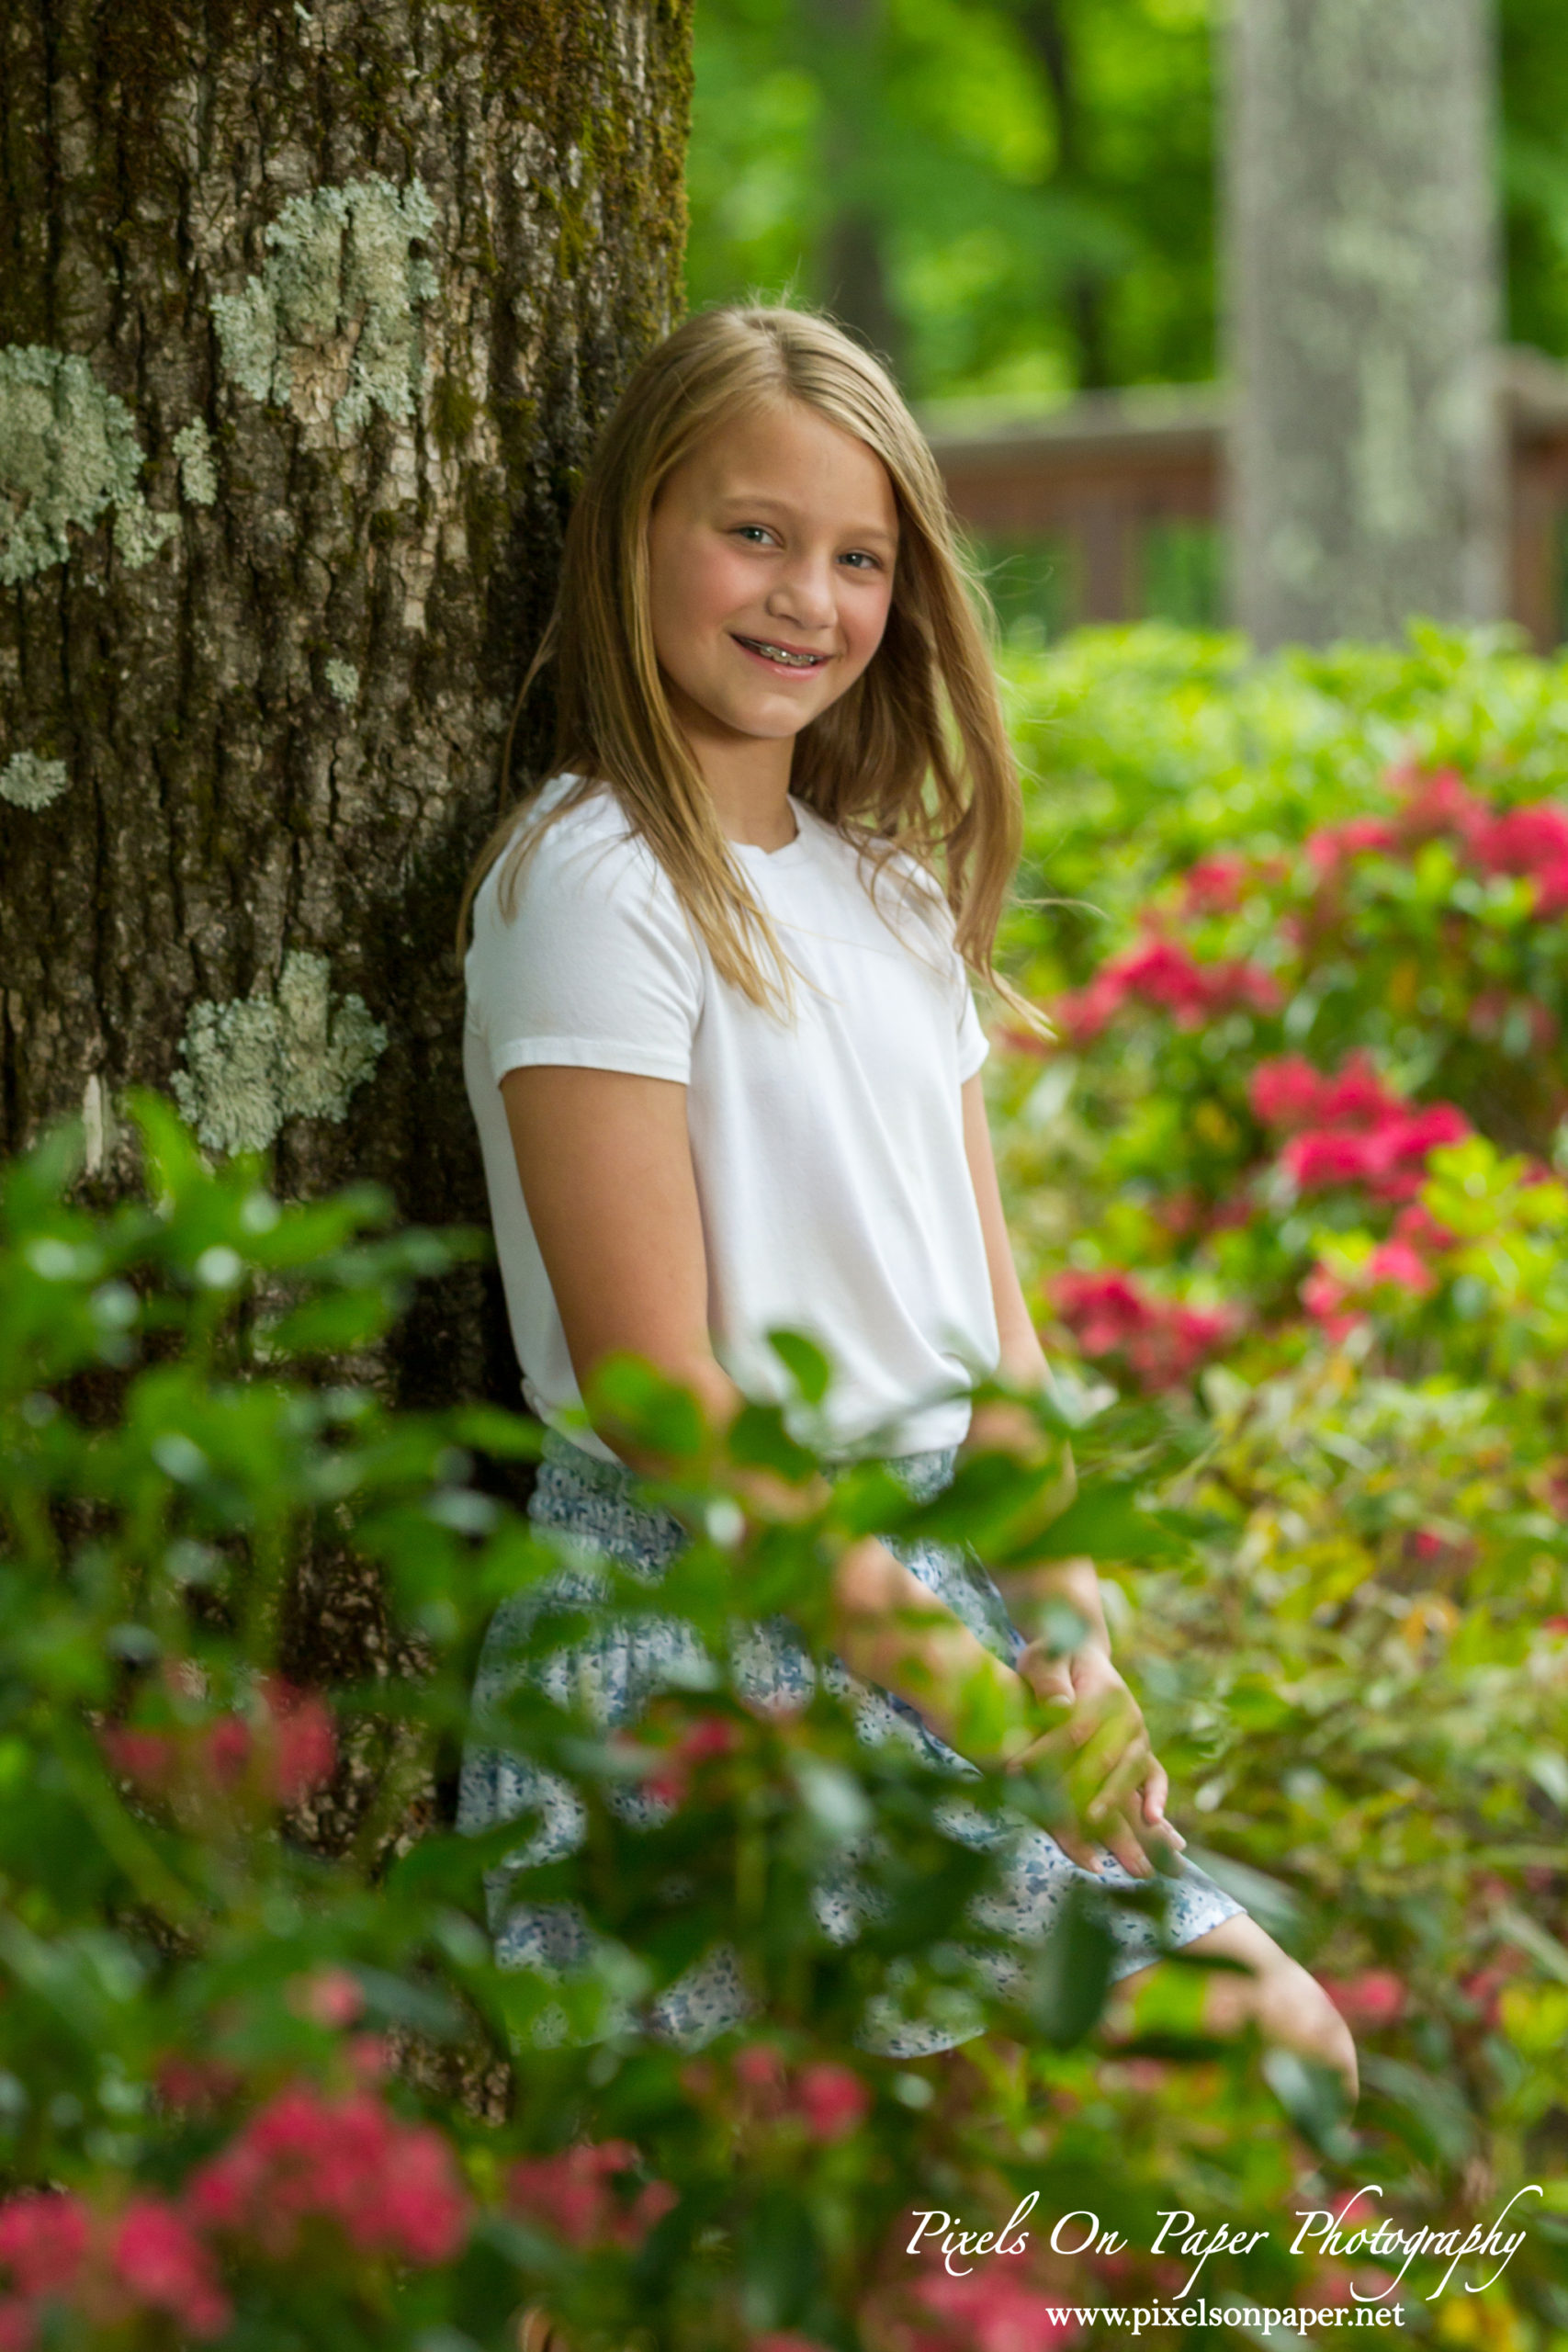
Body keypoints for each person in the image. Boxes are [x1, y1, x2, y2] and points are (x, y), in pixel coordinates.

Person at [455, 305, 1355, 2103]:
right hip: (708, 1609)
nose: (807, 594)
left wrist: (1072, 1638)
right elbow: (659, 1397)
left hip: (938, 1589)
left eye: (856, 555)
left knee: (993, 2176)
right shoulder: (595, 880)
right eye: (752, 532)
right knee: (1250, 2052)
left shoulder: (886, 892)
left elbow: (990, 1333)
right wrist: (951, 1671)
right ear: (630, 529)